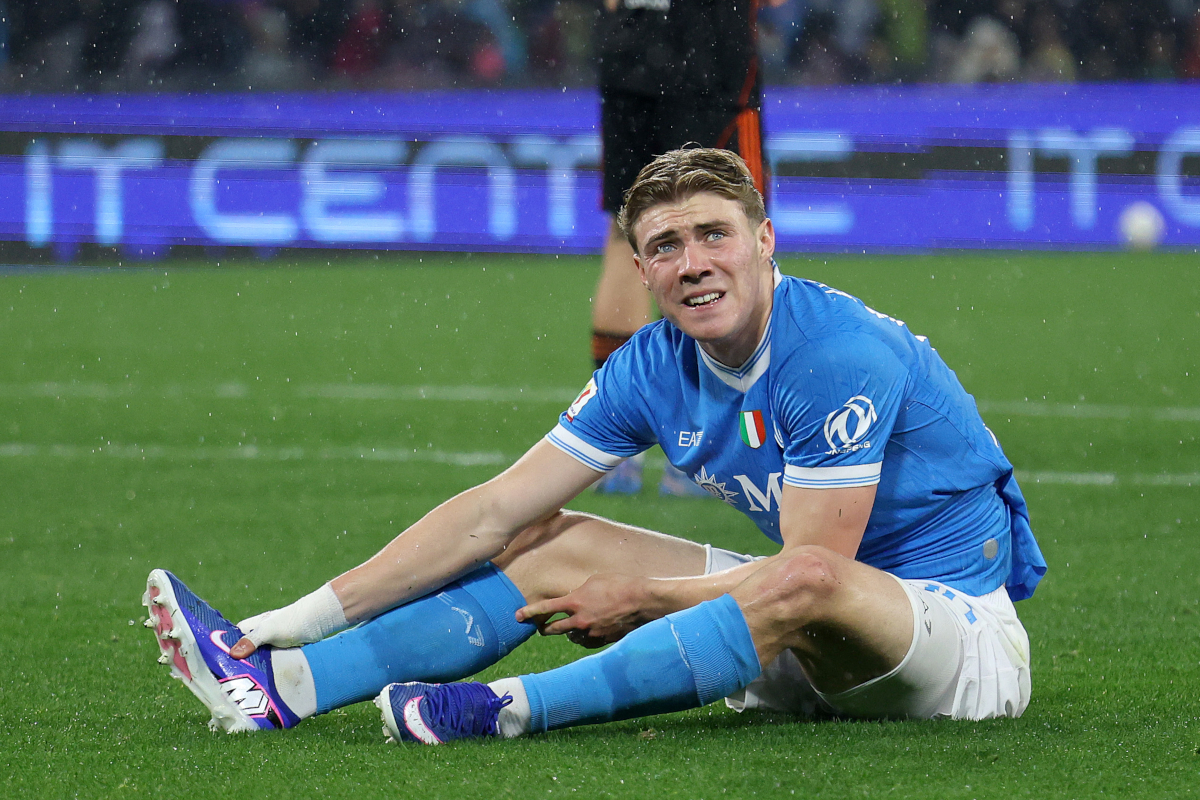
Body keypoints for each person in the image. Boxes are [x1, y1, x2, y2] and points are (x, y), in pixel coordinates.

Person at [145, 148, 1045, 744]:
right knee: (555, 539)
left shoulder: (834, 353)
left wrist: (645, 597)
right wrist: (296, 614)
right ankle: (282, 686)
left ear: (764, 243)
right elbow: (496, 511)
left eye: (713, 236)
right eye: (664, 247)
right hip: (799, 647)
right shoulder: (651, 365)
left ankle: (503, 712)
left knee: (801, 576)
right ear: (642, 271)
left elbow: (815, 570)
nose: (693, 262)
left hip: (951, 649)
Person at [590, 0, 769, 495]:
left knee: (626, 235)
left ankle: (612, 448)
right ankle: (703, 454)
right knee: (734, 229)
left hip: (630, 55)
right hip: (705, 58)